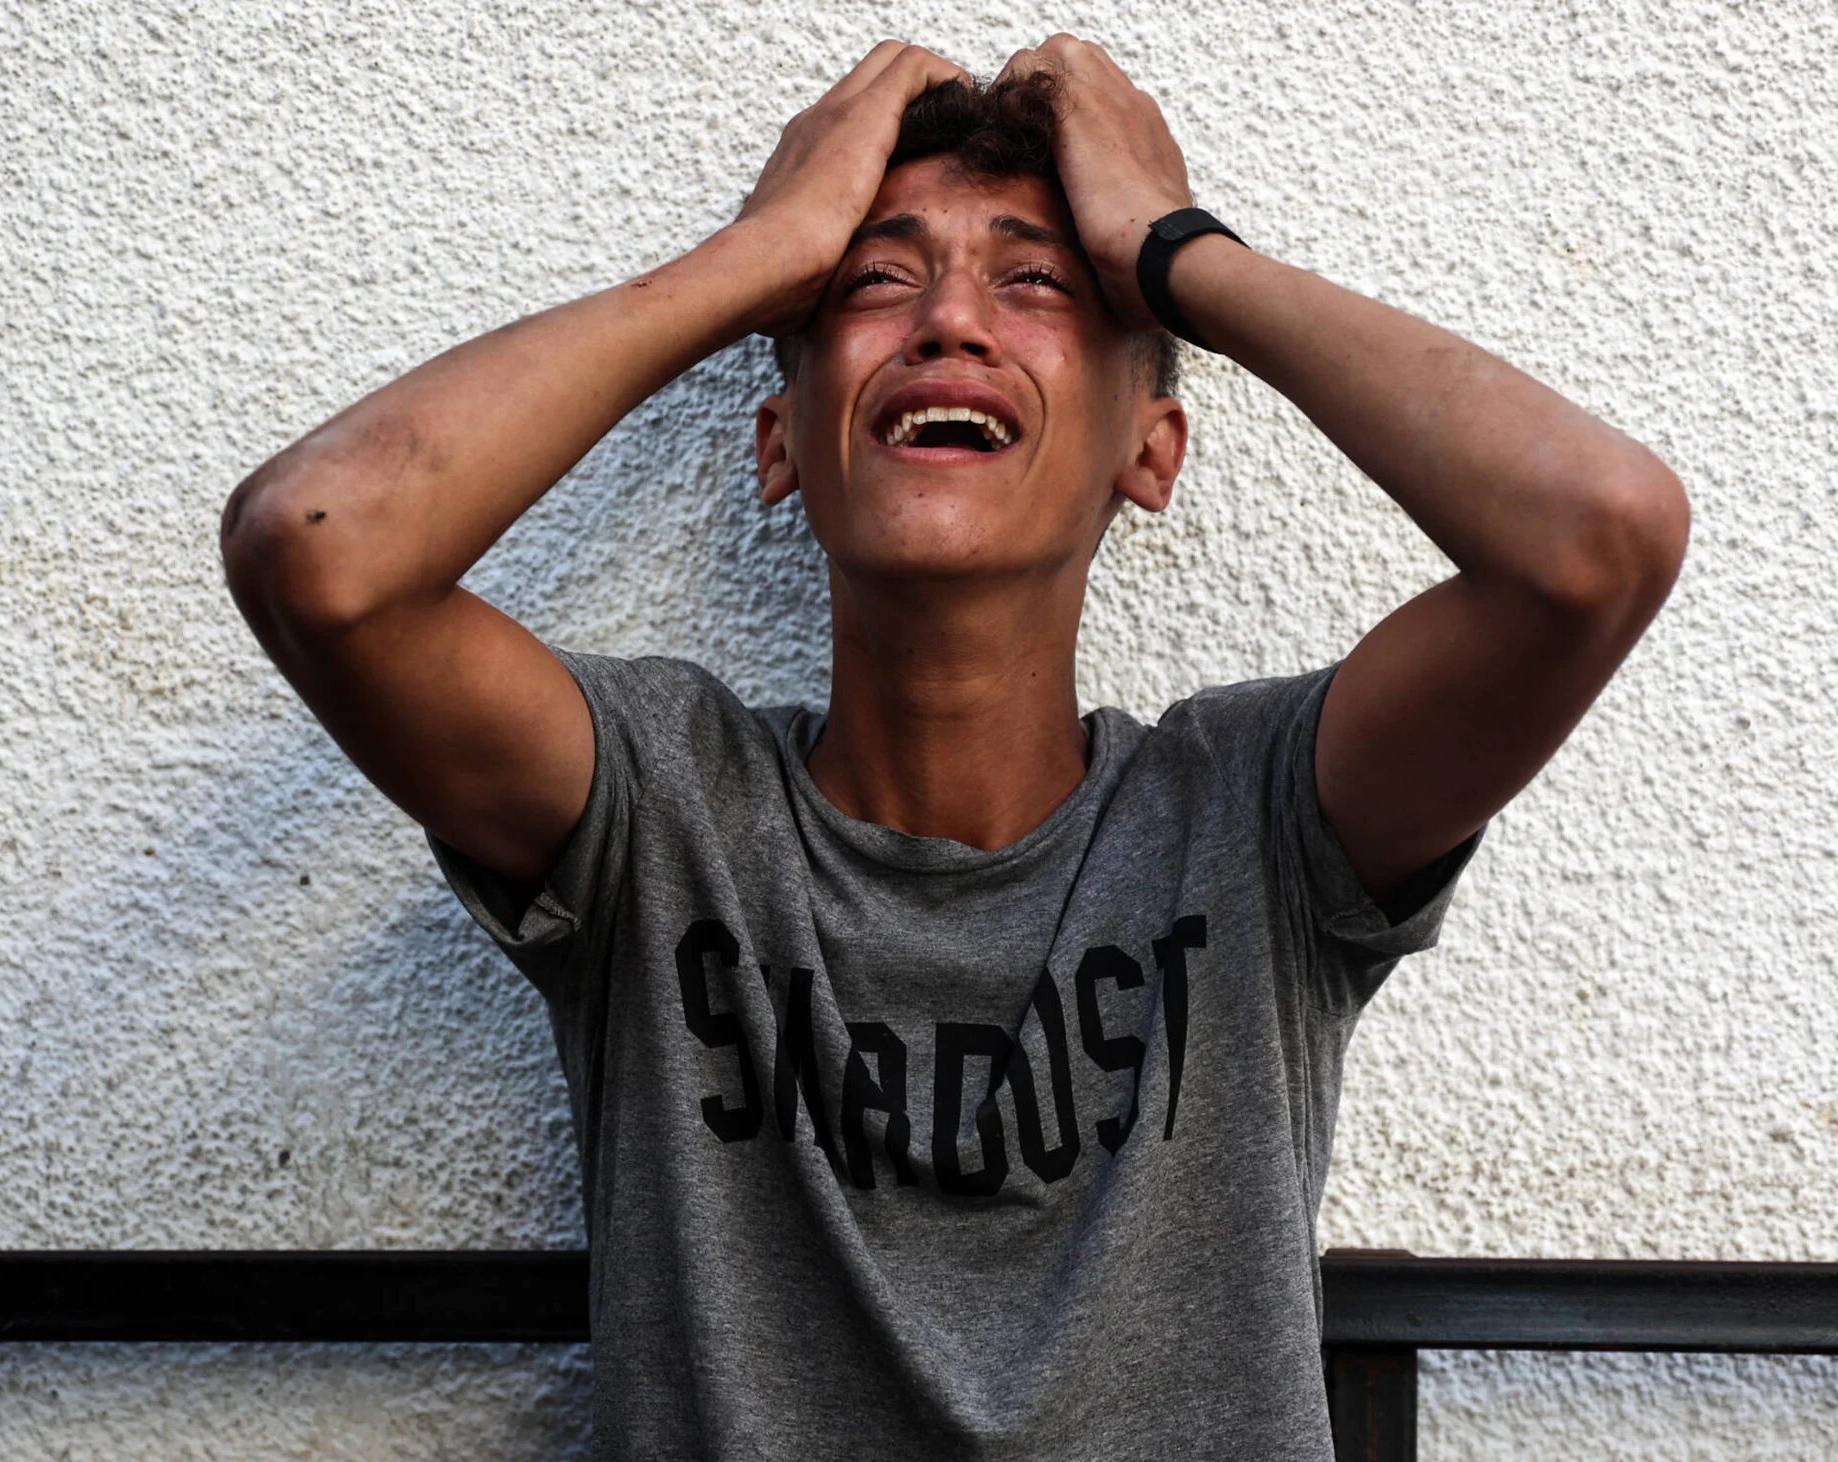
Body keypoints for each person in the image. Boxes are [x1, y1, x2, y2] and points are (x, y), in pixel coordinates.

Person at [220, 35, 1687, 1461]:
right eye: (875, 280)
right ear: (779, 443)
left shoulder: (1253, 821)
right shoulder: (661, 816)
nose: (950, 323)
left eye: (1036, 280)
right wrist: (761, 254)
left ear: (1151, 447)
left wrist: (1178, 250)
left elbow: (1597, 536)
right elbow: (321, 544)